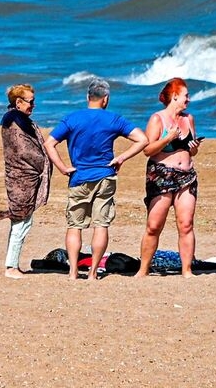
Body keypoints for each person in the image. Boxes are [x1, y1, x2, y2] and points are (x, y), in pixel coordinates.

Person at [44, 77, 149, 281]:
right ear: (105, 99)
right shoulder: (113, 119)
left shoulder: (73, 118)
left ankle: (73, 272)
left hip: (79, 176)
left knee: (75, 225)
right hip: (104, 176)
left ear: (88, 97)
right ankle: (92, 272)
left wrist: (62, 167)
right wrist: (121, 158)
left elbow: (50, 143)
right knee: (101, 224)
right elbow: (142, 139)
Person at [135, 77, 200, 279]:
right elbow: (147, 149)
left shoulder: (188, 119)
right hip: (162, 174)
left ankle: (187, 270)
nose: (188, 100)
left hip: (186, 176)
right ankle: (143, 269)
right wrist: (168, 138)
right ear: (174, 96)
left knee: (186, 224)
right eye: (185, 96)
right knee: (154, 225)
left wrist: (194, 148)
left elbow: (193, 151)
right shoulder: (158, 119)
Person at [0, 83, 53, 278]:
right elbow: (23, 151)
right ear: (18, 102)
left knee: (21, 221)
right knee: (21, 222)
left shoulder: (18, 120)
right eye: (31, 101)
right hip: (21, 179)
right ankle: (11, 267)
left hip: (23, 177)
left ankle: (11, 263)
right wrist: (44, 161)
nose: (33, 105)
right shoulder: (14, 122)